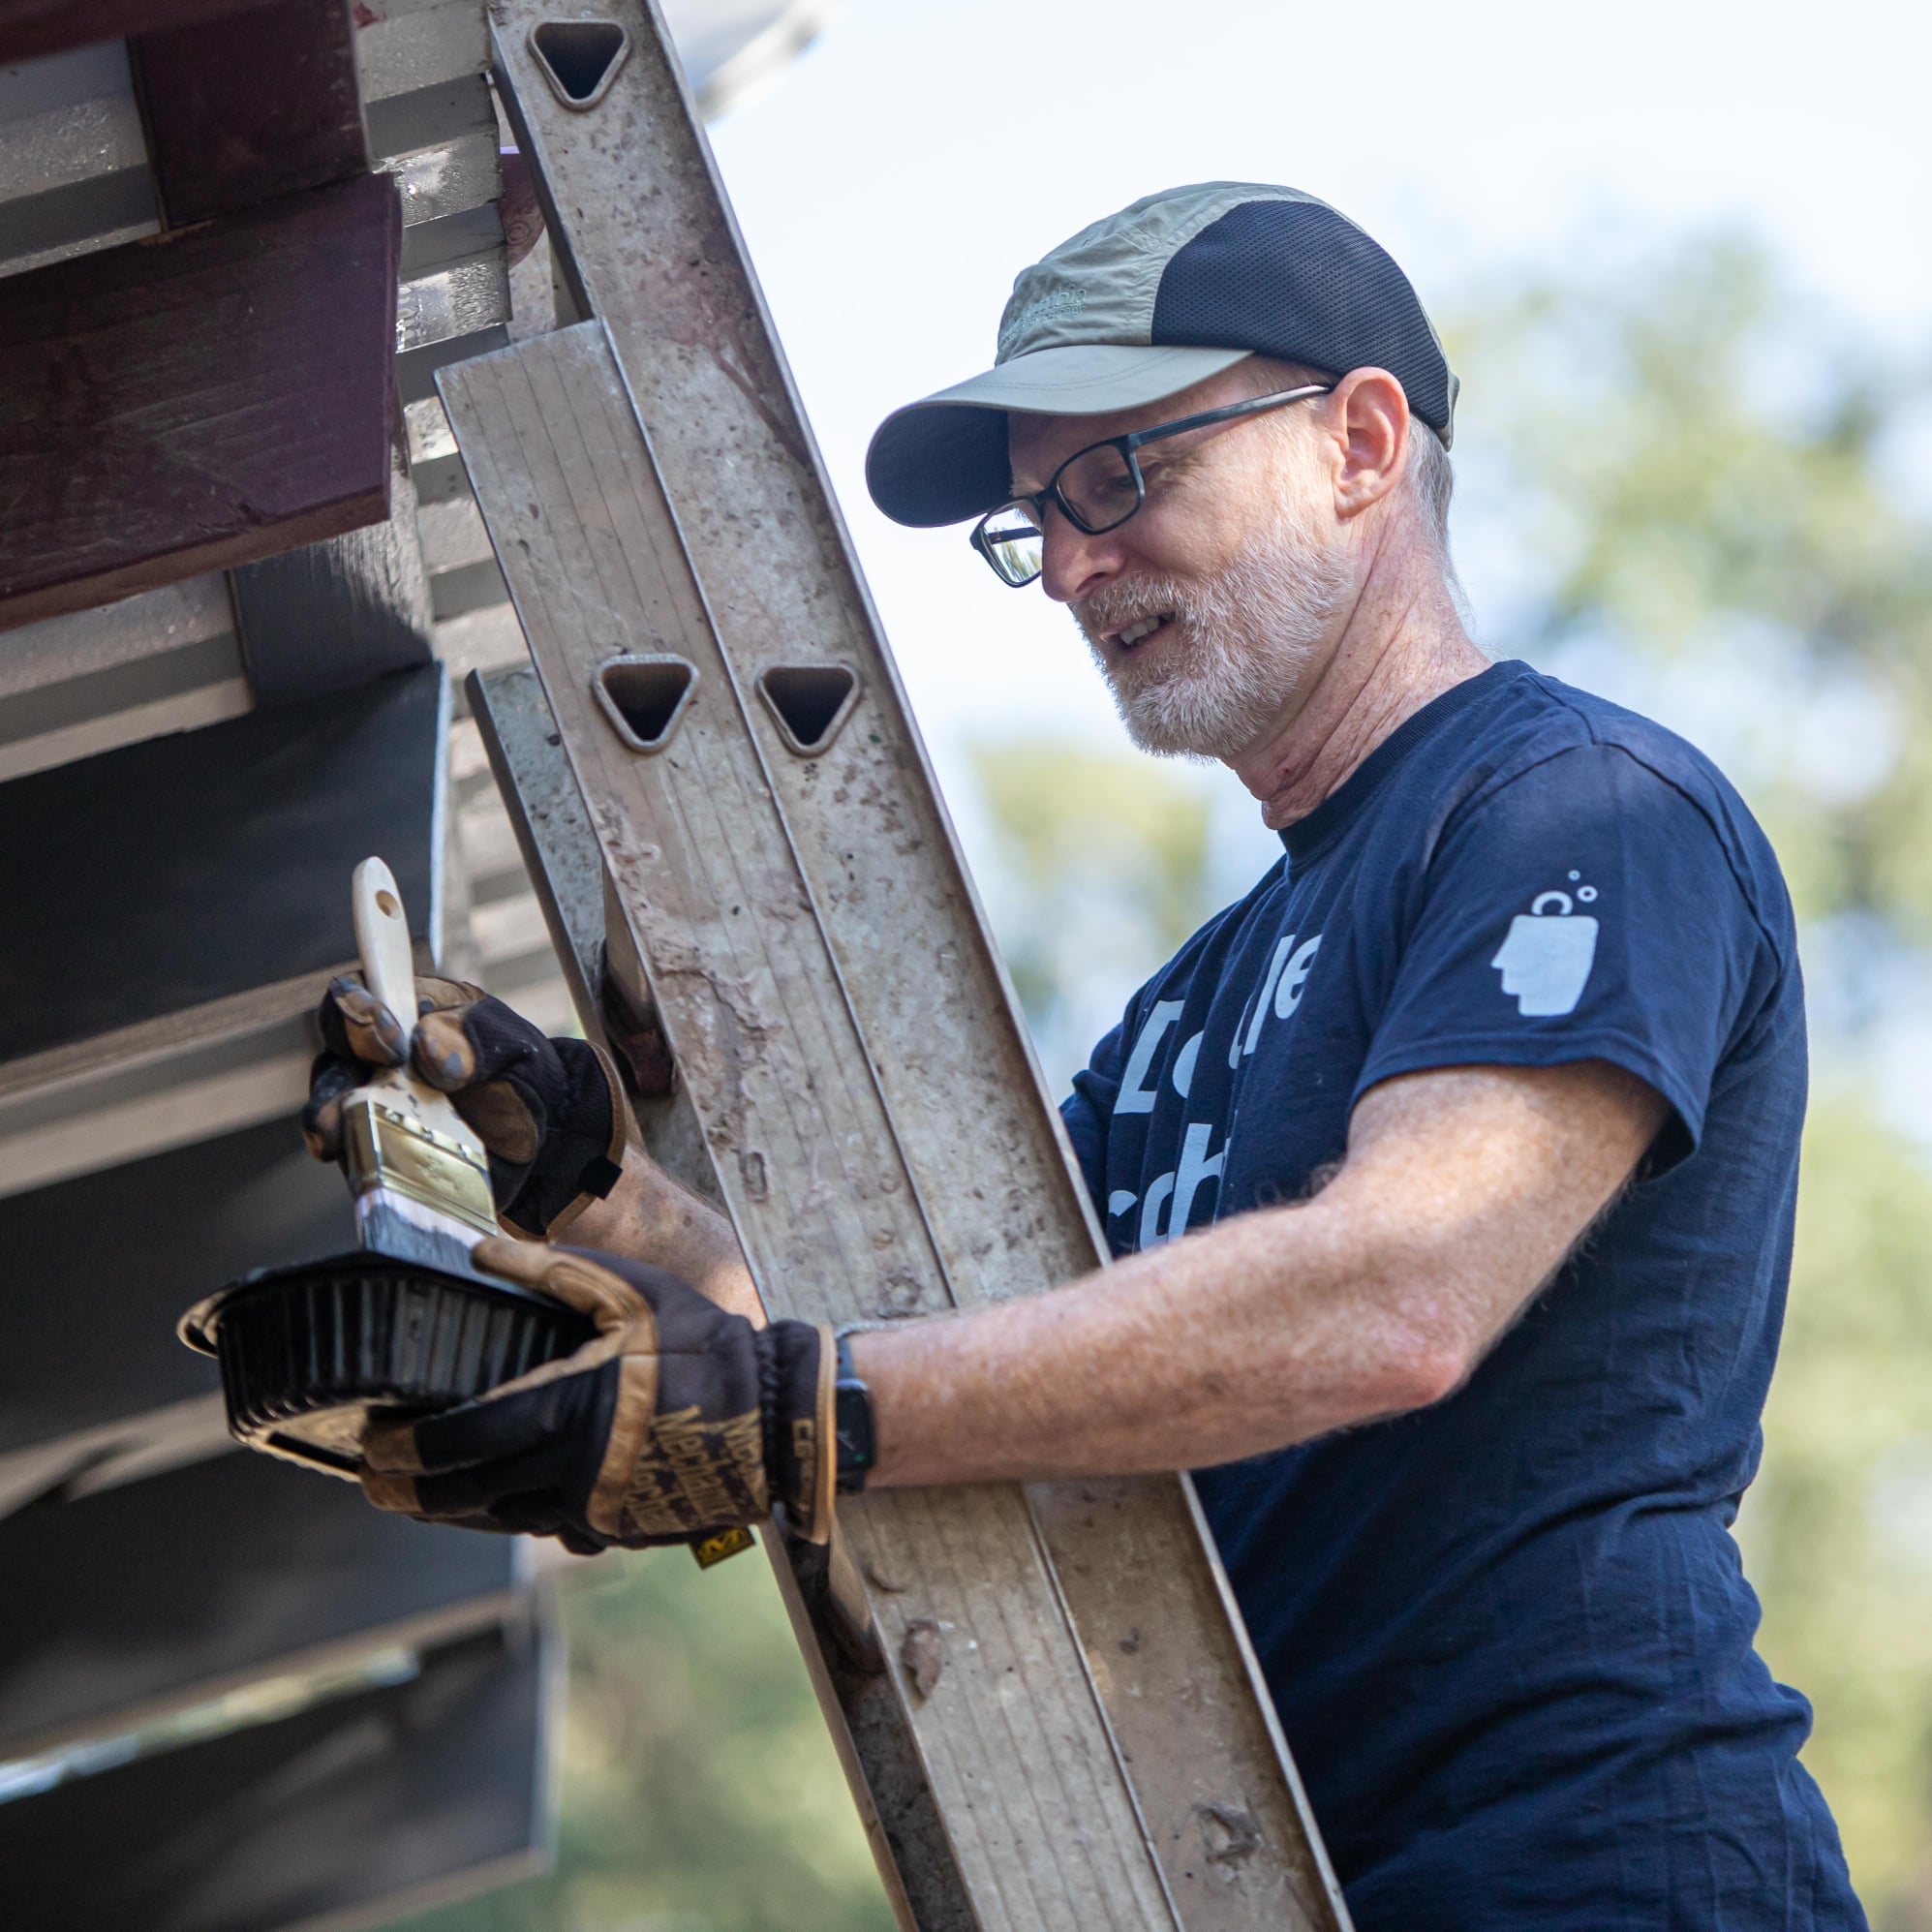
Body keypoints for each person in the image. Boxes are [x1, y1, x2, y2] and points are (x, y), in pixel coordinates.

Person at [304, 183, 1865, 1927]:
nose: (1064, 565)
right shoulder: (1191, 1004)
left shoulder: (1579, 809)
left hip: (1597, 1874)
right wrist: (597, 1186)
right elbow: (961, 1341)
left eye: (1121, 476)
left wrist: (809, 1412)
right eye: (1035, 519)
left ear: (1360, 442)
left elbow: (1401, 1291)